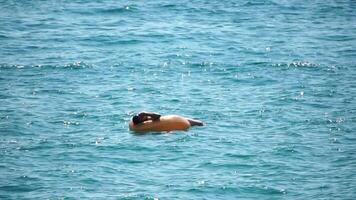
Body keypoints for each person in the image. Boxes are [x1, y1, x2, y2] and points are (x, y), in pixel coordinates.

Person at [129, 111, 203, 132]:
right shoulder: (147, 121)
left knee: (200, 123)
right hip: (174, 123)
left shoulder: (146, 120)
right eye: (141, 117)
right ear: (141, 121)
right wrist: (146, 113)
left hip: (177, 120)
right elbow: (158, 115)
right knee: (199, 124)